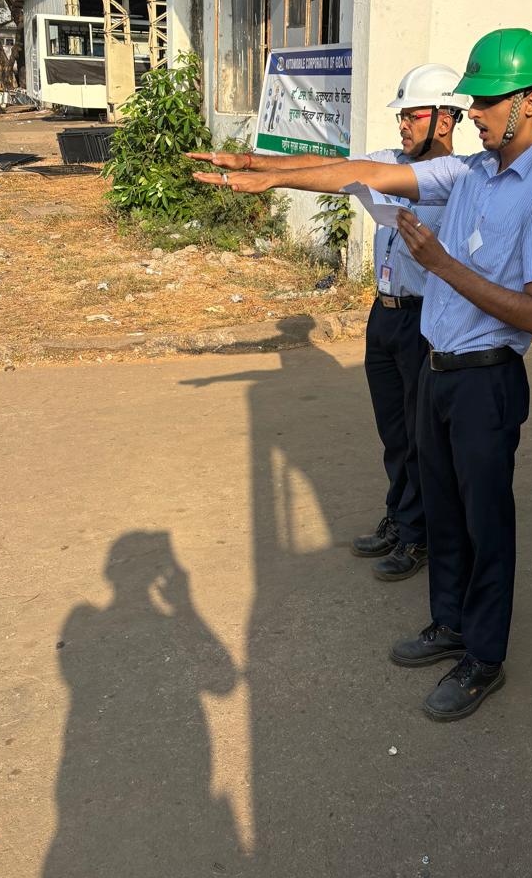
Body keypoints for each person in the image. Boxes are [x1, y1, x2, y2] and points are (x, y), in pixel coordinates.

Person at [189, 29, 532, 722]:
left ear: (529, 101)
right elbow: (360, 173)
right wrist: (264, 169)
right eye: (472, 101)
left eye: (486, 102)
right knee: (445, 513)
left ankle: (484, 657)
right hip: (437, 369)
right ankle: (449, 623)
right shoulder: (470, 174)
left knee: (486, 524)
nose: (474, 113)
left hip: (487, 382)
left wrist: (442, 265)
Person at [189, 64, 469, 582]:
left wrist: (271, 178)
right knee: (394, 433)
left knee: (421, 436)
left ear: (445, 119)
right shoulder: (390, 161)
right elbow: (331, 166)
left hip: (425, 319)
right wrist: (253, 162)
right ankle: (400, 517)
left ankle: (420, 535)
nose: (402, 124)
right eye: (401, 116)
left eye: (411, 116)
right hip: (384, 315)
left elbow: (347, 176)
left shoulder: (457, 179)